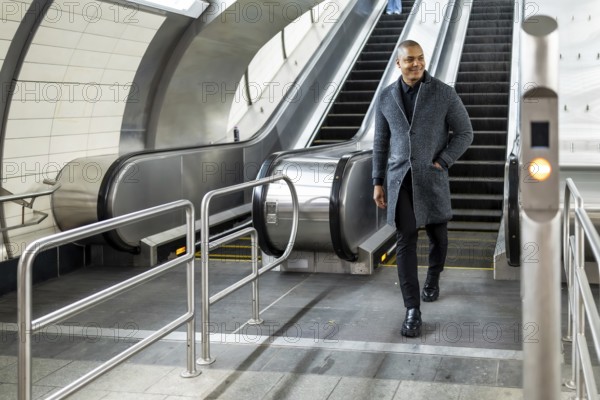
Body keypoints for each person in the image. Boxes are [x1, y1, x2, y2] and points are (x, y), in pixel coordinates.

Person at [372, 40, 473, 337]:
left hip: (431, 178)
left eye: (420, 59)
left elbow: (465, 132)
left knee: (438, 237)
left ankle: (433, 277)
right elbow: (380, 143)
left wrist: (443, 160)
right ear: (398, 64)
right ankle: (412, 309)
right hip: (399, 180)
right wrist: (377, 181)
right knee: (405, 242)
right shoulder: (387, 97)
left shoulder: (443, 93)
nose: (416, 64)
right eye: (409, 60)